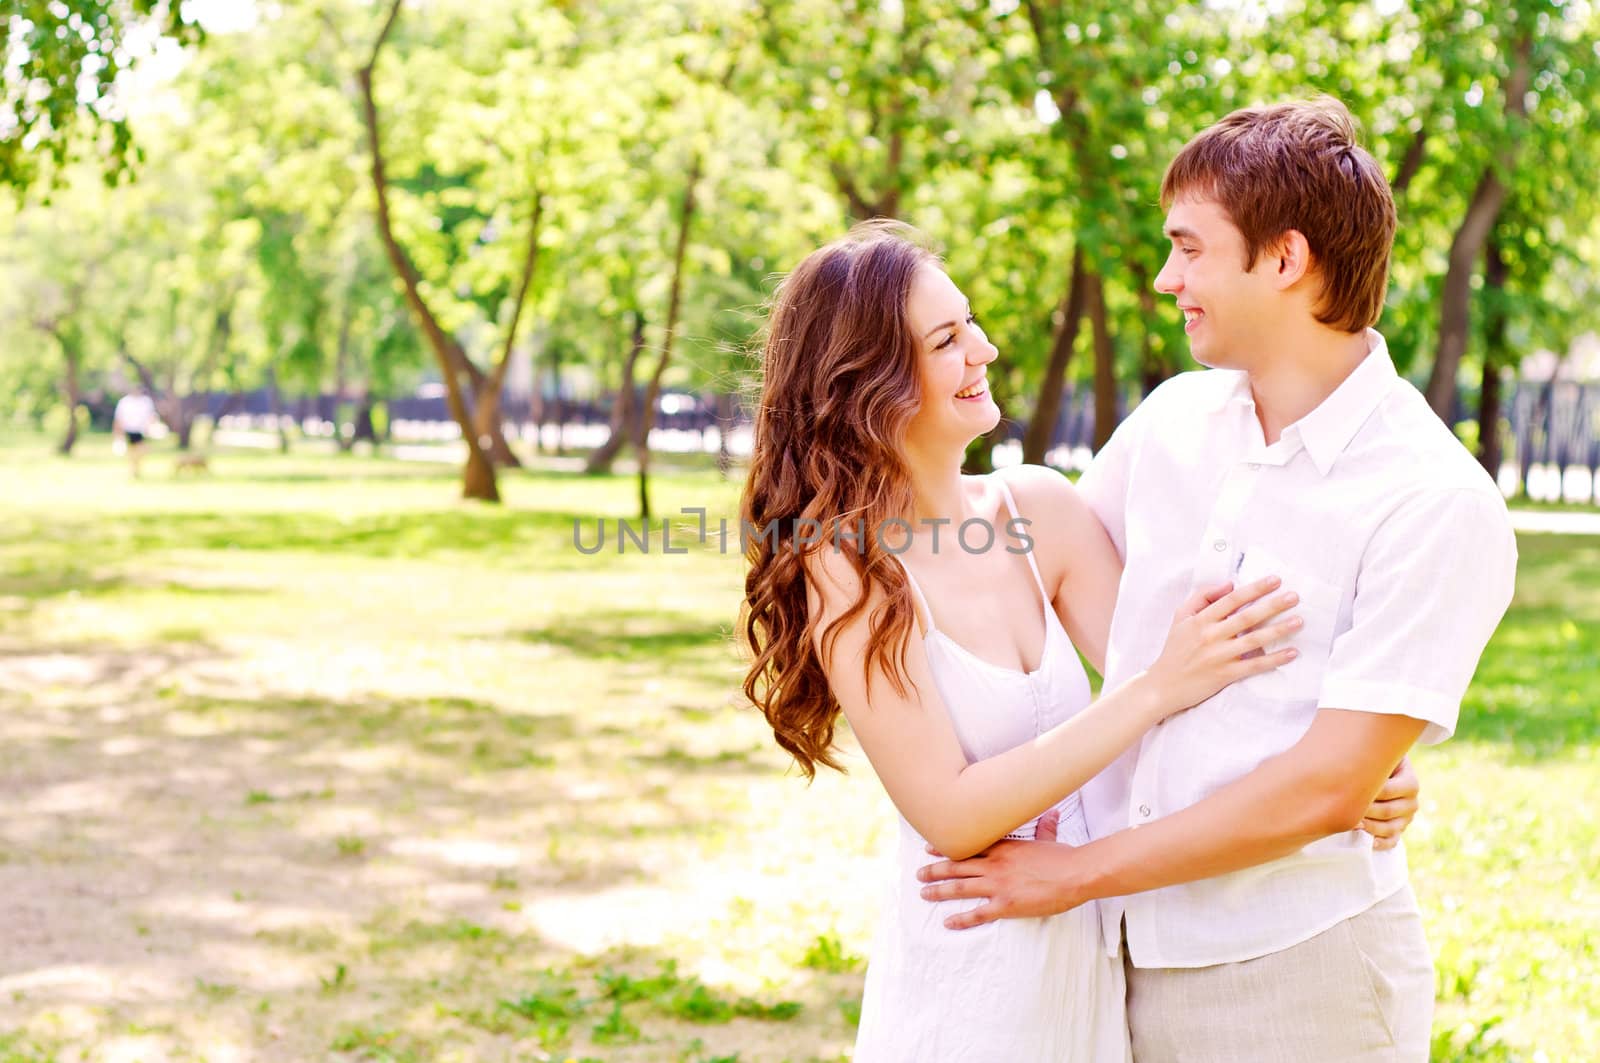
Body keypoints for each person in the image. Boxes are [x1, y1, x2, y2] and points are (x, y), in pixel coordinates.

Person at [918, 98, 1517, 1061]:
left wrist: (1071, 874)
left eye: (1190, 249)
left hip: (1294, 974)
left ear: (1285, 259)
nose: (1167, 279)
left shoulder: (1435, 498)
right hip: (1115, 963)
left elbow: (1324, 787)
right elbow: (1038, 559)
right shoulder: (1173, 422)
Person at [738, 221, 1416, 1061]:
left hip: (1090, 963)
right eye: (947, 339)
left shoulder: (1037, 511)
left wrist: (1357, 763)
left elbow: (1208, 688)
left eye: (971, 321)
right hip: (970, 967)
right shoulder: (845, 567)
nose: (984, 348)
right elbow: (951, 811)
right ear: (866, 382)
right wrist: (1154, 687)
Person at [112, 385, 159, 479]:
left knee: (140, 450)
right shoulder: (124, 402)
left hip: (141, 429)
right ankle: (134, 468)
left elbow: (151, 415)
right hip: (129, 429)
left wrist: (151, 427)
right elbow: (119, 418)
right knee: (133, 450)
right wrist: (118, 432)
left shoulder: (146, 401)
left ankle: (135, 467)